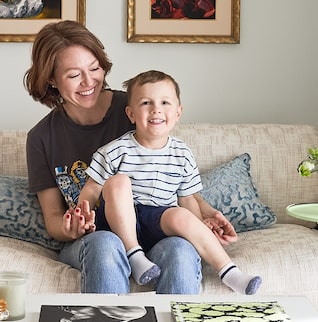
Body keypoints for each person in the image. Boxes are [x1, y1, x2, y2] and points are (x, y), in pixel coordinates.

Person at [23, 20, 237, 294]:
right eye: (74, 75)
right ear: (51, 79)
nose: (89, 82)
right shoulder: (42, 137)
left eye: (95, 68)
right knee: (104, 243)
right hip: (93, 238)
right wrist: (72, 229)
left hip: (155, 230)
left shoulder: (138, 107)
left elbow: (172, 168)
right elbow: (53, 217)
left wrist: (205, 215)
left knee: (181, 249)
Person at [77, 70, 262, 295]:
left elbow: (187, 198)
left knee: (180, 214)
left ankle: (231, 273)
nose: (156, 109)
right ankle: (134, 255)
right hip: (119, 223)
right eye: (146, 103)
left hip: (158, 220)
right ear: (131, 113)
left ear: (177, 113)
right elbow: (92, 188)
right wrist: (82, 213)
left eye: (165, 102)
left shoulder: (182, 154)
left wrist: (199, 224)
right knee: (118, 182)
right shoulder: (114, 151)